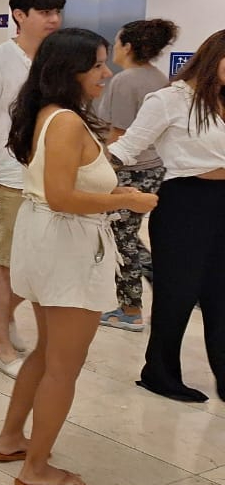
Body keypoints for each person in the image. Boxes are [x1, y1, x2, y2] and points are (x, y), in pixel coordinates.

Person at [0, 28, 158, 485]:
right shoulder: (65, 121)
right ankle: (37, 467)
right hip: (66, 244)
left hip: (49, 238)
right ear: (70, 71)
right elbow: (64, 197)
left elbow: (61, 188)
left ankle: (11, 439)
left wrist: (113, 193)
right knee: (64, 365)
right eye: (99, 65)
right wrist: (127, 202)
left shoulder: (47, 113)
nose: (108, 73)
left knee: (47, 353)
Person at [111, 29, 225, 403]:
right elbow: (127, 147)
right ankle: (159, 373)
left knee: (220, 295)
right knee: (177, 294)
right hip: (186, 203)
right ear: (213, 57)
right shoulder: (169, 100)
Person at [0, 0, 65, 378]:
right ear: (19, 16)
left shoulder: (56, 63)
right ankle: (2, 347)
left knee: (40, 264)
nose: (54, 20)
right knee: (5, 262)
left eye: (58, 12)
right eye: (44, 12)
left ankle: (0, 310)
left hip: (49, 176)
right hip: (10, 177)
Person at [96, 18, 179, 331]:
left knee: (122, 239)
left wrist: (102, 170)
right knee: (128, 235)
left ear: (128, 46)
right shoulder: (159, 77)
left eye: (117, 42)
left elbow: (118, 133)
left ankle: (130, 309)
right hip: (154, 167)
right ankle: (161, 282)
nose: (114, 48)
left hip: (128, 170)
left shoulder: (125, 80)